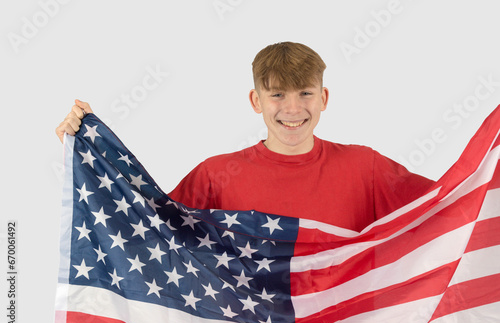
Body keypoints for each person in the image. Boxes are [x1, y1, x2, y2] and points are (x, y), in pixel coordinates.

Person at [56, 41, 435, 232]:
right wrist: (87, 151)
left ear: (324, 98)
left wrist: (493, 157)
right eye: (277, 94)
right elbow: (147, 229)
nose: (292, 108)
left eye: (304, 93)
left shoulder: (364, 167)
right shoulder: (215, 175)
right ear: (256, 100)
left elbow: (451, 205)